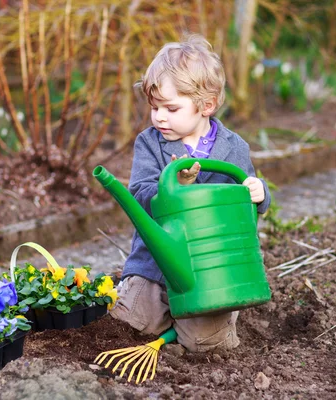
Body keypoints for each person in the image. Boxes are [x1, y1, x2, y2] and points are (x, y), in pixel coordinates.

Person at [109, 35, 271, 353]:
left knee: (205, 345)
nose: (160, 117)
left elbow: (247, 199)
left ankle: (209, 320)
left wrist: (259, 192)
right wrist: (174, 190)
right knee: (128, 322)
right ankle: (158, 311)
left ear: (206, 105)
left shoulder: (233, 148)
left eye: (171, 108)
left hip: (211, 272)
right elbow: (140, 194)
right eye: (154, 107)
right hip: (156, 264)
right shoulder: (150, 142)